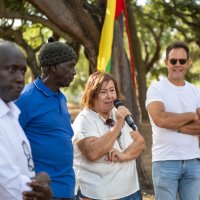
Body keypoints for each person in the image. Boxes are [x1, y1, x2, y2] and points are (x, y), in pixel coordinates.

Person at [15, 38, 77, 199]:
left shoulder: (61, 98)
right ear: (54, 67)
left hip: (68, 188)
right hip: (43, 192)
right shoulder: (25, 99)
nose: (74, 72)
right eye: (70, 66)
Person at [72, 71, 145, 200]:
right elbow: (93, 152)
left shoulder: (119, 113)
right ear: (92, 95)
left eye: (112, 90)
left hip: (131, 191)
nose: (110, 96)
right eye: (103, 92)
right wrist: (117, 126)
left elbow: (140, 142)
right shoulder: (84, 119)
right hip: (99, 195)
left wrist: (124, 155)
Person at [146, 41, 200, 200]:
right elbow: (161, 119)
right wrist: (191, 116)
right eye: (173, 61)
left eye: (182, 61)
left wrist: (174, 124)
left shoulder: (195, 91)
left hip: (193, 162)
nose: (178, 64)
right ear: (166, 63)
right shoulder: (156, 89)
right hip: (165, 161)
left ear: (188, 63)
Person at [0, 40, 52, 199]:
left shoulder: (11, 113)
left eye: (22, 71)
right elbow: (12, 187)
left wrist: (39, 178)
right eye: (12, 69)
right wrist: (40, 185)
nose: (20, 78)